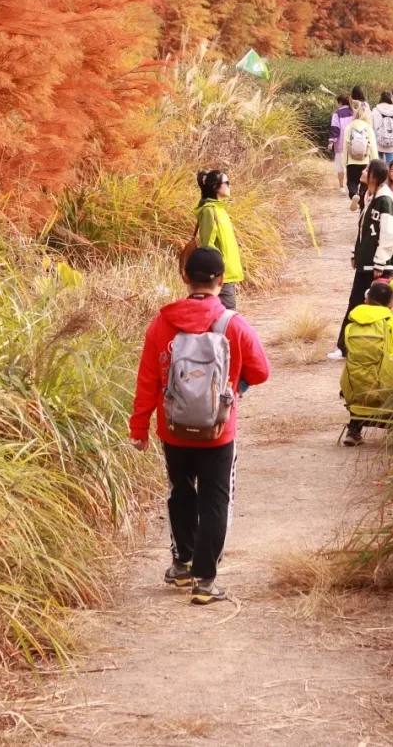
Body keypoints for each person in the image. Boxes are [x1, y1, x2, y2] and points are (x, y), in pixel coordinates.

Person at [130, 246, 270, 605]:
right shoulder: (232, 324)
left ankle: (181, 564)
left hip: (172, 429)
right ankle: (205, 581)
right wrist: (233, 389)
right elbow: (261, 372)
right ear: (221, 281)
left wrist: (139, 426)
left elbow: (147, 379)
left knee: (180, 492)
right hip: (218, 431)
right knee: (215, 500)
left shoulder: (162, 323)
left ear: (184, 278)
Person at [328, 159, 393, 358]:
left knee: (377, 307)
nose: (362, 171)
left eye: (367, 169)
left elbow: (390, 233)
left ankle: (379, 348)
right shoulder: (368, 196)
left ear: (375, 176)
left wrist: (380, 261)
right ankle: (346, 347)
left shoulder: (385, 200)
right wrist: (356, 253)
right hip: (366, 262)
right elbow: (363, 229)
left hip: (378, 265)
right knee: (356, 302)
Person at [340, 277, 393, 444]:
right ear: (391, 305)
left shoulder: (351, 326)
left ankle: (354, 429)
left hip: (353, 392)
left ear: (366, 300)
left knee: (362, 376)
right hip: (386, 392)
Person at [195, 168, 243, 310]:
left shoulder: (221, 210)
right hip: (221, 277)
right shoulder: (209, 210)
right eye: (226, 182)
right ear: (216, 187)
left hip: (228, 276)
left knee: (226, 319)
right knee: (228, 320)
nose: (229, 186)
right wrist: (218, 271)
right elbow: (207, 246)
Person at [341, 98, 377, 198]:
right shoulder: (368, 128)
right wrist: (375, 161)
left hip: (352, 162)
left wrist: (345, 162)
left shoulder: (349, 127)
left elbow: (346, 145)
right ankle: (362, 199)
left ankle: (353, 194)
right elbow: (373, 146)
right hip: (365, 161)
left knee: (352, 182)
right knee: (365, 183)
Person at [328, 93, 353, 191]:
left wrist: (331, 141)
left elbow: (335, 129)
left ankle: (342, 186)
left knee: (340, 166)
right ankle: (351, 185)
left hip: (341, 144)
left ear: (340, 102)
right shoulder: (354, 112)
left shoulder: (337, 114)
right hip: (354, 144)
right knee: (351, 166)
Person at [371, 89, 393, 164]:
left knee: (378, 166)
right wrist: (392, 132)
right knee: (390, 165)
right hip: (392, 144)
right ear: (391, 98)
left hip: (378, 143)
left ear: (381, 98)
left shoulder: (375, 110)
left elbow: (370, 126)